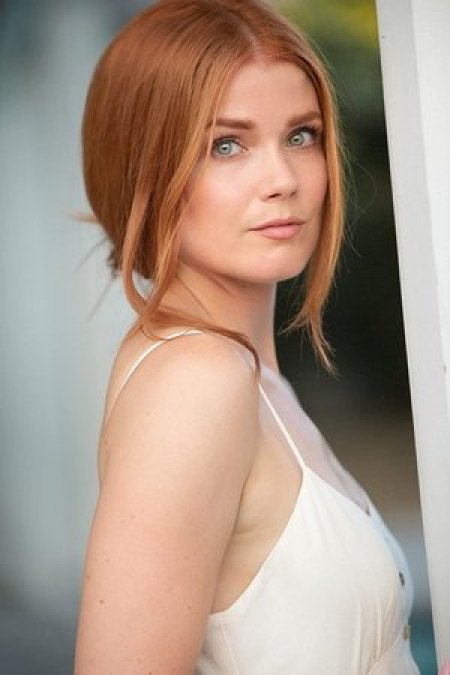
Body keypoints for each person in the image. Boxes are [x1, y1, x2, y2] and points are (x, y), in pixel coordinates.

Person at [74, 0, 420, 672]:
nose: (282, 180)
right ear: (142, 167)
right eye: (226, 145)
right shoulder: (196, 382)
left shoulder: (244, 371)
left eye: (302, 135)